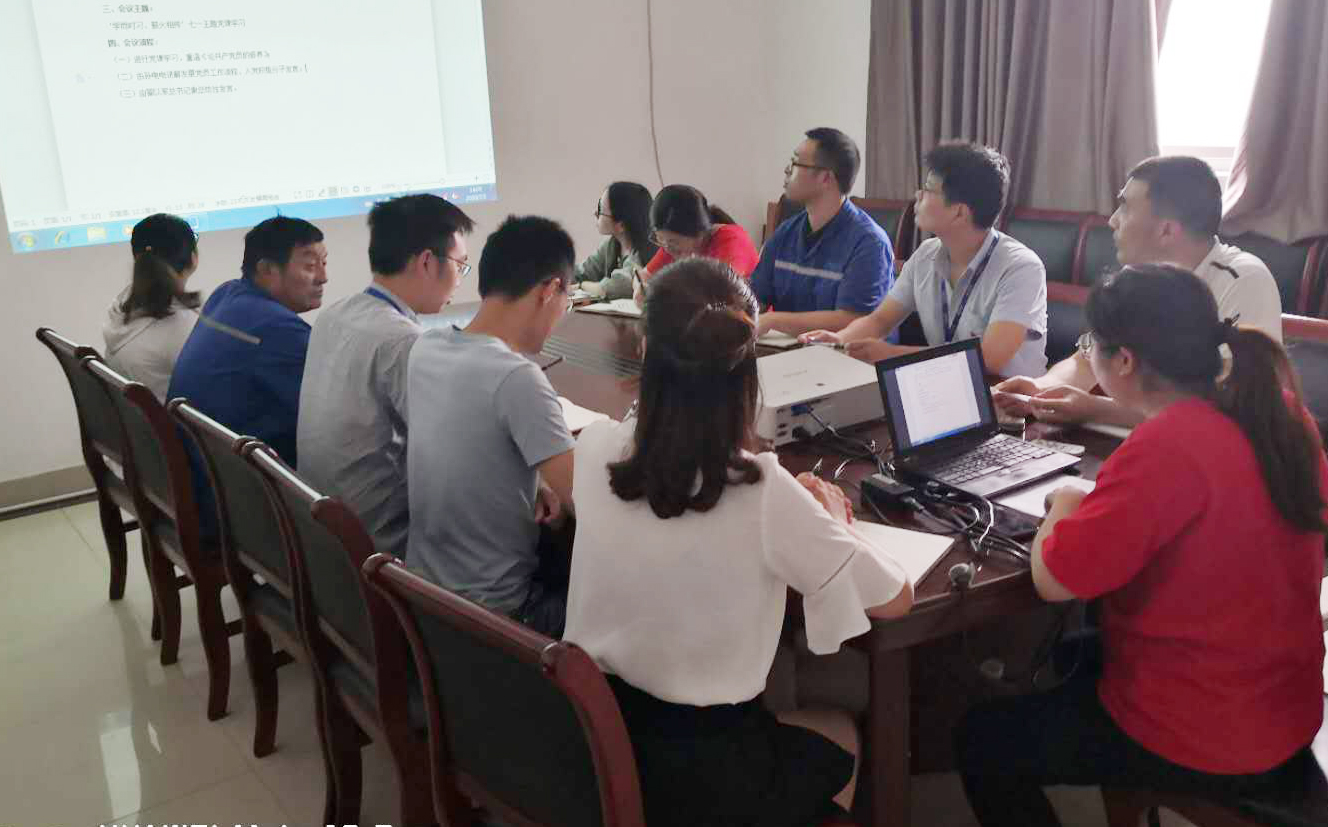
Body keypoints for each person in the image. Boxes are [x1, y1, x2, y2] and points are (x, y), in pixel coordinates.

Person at [955, 264, 1328, 827]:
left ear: (1124, 361)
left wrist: (1068, 501)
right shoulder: (1279, 411)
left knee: (982, 738)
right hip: (1285, 703)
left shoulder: (1167, 446)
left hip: (1209, 734)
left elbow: (1055, 581)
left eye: (1091, 344)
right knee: (1073, 652)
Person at [563, 258, 913, 827]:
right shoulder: (759, 488)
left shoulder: (595, 446)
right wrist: (835, 522)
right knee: (841, 734)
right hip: (702, 778)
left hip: (593, 740)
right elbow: (895, 599)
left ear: (645, 350)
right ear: (747, 368)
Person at [995, 155, 1284, 427]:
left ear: (1166, 230)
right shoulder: (1137, 280)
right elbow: (1086, 361)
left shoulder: (1244, 278)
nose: (1112, 220)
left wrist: (1095, 408)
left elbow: (1225, 405)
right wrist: (1040, 390)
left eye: (1125, 207)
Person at [406, 215, 577, 638]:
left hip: (424, 595)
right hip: (500, 618)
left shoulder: (426, 347)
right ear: (549, 290)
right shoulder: (516, 378)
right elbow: (583, 502)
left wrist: (537, 483)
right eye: (567, 300)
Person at [297, 195, 474, 560]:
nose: (460, 279)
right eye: (461, 265)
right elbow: (456, 459)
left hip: (322, 536)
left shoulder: (335, 314)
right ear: (427, 262)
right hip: (381, 550)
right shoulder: (402, 340)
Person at [801, 142, 1048, 378]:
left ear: (959, 211)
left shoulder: (1020, 268)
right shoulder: (926, 255)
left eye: (928, 189)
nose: (918, 195)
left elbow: (990, 359)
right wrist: (839, 339)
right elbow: (880, 320)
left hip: (1005, 397)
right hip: (941, 384)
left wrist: (891, 355)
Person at [169, 215, 327, 466]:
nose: (323, 277)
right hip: (236, 478)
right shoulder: (277, 328)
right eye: (310, 266)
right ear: (266, 269)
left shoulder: (225, 293)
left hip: (200, 463)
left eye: (324, 263)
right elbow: (331, 415)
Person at [752, 127, 896, 337]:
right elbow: (757, 296)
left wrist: (774, 320)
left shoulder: (869, 242)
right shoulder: (786, 232)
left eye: (795, 163)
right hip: (793, 348)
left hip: (849, 353)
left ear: (826, 178)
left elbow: (855, 320)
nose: (786, 170)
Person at [102, 213, 202, 401]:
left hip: (143, 418)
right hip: (177, 419)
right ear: (193, 257)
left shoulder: (121, 308)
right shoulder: (184, 326)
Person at [637, 184, 758, 291]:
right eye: (660, 239)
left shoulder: (732, 240)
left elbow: (722, 292)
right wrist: (641, 289)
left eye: (673, 241)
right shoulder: (671, 245)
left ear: (699, 233)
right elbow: (644, 276)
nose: (667, 248)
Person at [575, 182, 657, 300]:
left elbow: (608, 288)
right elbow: (583, 272)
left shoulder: (645, 253)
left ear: (621, 225)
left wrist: (580, 286)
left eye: (600, 210)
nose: (595, 213)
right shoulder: (611, 245)